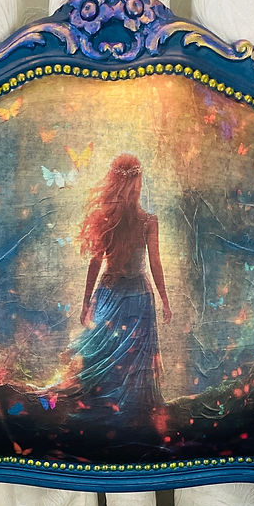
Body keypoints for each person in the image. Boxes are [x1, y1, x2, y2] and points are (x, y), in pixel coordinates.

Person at [69, 153, 172, 421]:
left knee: (108, 353)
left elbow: (96, 262)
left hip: (115, 293)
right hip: (134, 296)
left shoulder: (111, 219)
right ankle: (127, 414)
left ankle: (110, 411)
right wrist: (164, 300)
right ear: (136, 183)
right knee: (123, 357)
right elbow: (154, 263)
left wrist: (87, 301)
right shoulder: (146, 221)